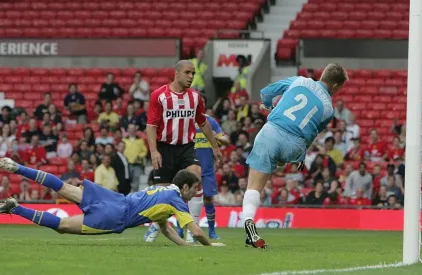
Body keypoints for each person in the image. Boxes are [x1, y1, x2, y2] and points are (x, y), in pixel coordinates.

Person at [0, 158, 225, 247]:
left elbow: (164, 226)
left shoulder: (162, 189)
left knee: (62, 186)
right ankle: (16, 207)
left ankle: (16, 167)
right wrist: (208, 245)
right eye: (195, 188)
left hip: (112, 198)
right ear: (185, 187)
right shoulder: (178, 202)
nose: (198, 192)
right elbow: (196, 231)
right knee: (62, 226)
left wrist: (184, 246)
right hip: (115, 216)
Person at [242, 63, 348, 248]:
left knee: (254, 187)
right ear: (337, 86)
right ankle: (282, 161)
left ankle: (249, 223)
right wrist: (300, 155)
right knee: (281, 159)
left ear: (322, 74)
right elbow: (312, 133)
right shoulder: (329, 109)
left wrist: (269, 107)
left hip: (272, 132)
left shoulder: (300, 80)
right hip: (295, 146)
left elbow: (266, 92)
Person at [146, 60, 223, 242]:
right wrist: (154, 151)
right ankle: (156, 226)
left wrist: (215, 146)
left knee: (196, 176)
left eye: (193, 74)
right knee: (162, 195)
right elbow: (151, 126)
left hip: (187, 147)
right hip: (164, 147)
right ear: (177, 73)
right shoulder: (159, 96)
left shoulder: (195, 97)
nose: (191, 77)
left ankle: (191, 234)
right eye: (187, 73)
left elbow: (202, 122)